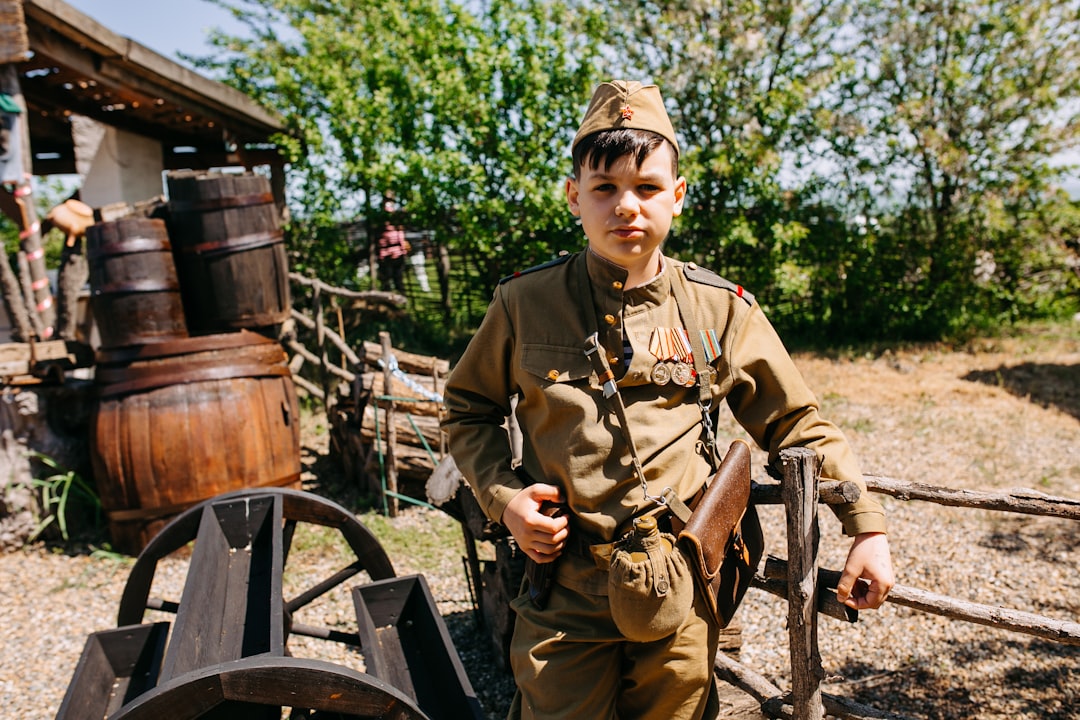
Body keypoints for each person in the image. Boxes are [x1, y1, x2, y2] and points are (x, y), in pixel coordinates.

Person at [441, 80, 894, 720]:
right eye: (604, 188)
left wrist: (866, 528)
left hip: (681, 586)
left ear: (677, 198)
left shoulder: (720, 310)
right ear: (574, 197)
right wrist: (505, 498)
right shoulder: (523, 304)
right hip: (564, 590)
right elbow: (468, 410)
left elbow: (797, 422)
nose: (626, 206)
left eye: (648, 188)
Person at [377, 197, 409, 293]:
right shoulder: (380, 219)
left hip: (397, 253)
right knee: (386, 278)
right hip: (385, 253)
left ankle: (401, 298)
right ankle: (387, 299)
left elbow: (400, 234)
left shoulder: (396, 219)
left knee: (398, 277)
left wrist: (403, 248)